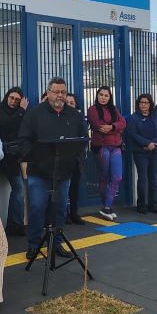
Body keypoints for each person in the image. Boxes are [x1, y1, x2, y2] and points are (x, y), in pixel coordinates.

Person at [17, 77, 88, 260]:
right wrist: (37, 158)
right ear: (48, 93)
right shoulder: (34, 115)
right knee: (37, 208)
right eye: (56, 91)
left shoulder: (75, 116)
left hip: (63, 173)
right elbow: (23, 142)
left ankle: (56, 244)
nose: (59, 95)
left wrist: (74, 161)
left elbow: (82, 141)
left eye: (63, 92)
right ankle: (34, 245)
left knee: (59, 209)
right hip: (39, 172)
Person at [0, 87, 29, 234]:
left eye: (17, 100)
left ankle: (15, 224)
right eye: (11, 98)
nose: (13, 101)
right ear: (6, 97)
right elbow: (6, 125)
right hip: (3, 157)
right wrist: (21, 111)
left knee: (19, 189)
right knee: (18, 188)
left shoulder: (22, 113)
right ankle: (14, 224)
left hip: (17, 156)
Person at [87, 85, 126, 220]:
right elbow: (100, 127)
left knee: (117, 177)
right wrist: (115, 128)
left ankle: (107, 207)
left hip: (116, 146)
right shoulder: (92, 109)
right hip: (101, 146)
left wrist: (112, 126)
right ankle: (106, 207)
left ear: (110, 97)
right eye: (101, 95)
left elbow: (123, 122)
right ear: (97, 95)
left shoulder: (114, 109)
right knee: (104, 177)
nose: (103, 97)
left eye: (106, 95)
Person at [126, 93, 157, 214]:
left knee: (153, 178)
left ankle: (153, 204)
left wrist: (154, 143)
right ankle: (141, 205)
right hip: (140, 152)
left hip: (156, 150)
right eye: (141, 102)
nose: (144, 105)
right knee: (143, 179)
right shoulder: (133, 118)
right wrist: (147, 144)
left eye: (146, 103)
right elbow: (133, 134)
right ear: (138, 104)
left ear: (150, 104)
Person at [65, 93, 86, 224]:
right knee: (63, 189)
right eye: (67, 103)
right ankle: (64, 214)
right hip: (61, 159)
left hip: (76, 158)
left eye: (72, 103)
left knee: (74, 188)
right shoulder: (58, 118)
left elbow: (84, 137)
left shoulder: (79, 118)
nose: (69, 105)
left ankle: (74, 213)